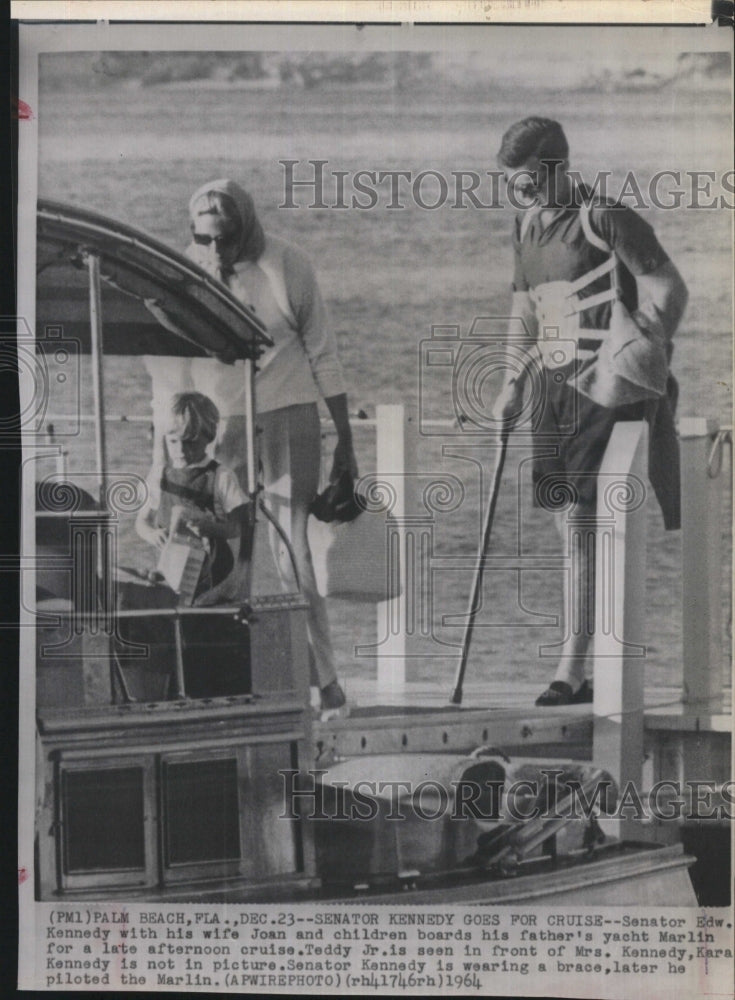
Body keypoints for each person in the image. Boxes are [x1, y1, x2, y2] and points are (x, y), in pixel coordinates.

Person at [493, 117, 688, 706]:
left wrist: (641, 352)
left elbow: (670, 290)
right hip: (552, 392)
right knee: (567, 524)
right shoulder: (526, 226)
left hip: (607, 388)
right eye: (514, 185)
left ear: (556, 166)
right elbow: (523, 314)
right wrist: (508, 382)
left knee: (585, 520)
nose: (520, 193)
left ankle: (571, 668)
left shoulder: (603, 217)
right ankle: (591, 664)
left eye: (528, 182)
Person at [184, 178, 357, 715]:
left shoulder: (288, 264)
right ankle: (228, 678)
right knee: (218, 548)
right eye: (205, 238)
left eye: (227, 238)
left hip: (289, 415)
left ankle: (325, 681)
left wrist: (346, 442)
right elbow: (170, 366)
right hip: (223, 423)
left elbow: (322, 353)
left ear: (247, 227)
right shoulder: (188, 269)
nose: (217, 250)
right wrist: (165, 445)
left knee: (292, 549)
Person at [135, 391, 248, 598]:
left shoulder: (221, 475)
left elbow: (237, 528)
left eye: (191, 443)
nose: (181, 450)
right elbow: (141, 523)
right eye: (174, 442)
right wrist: (152, 534)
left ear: (208, 437)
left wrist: (210, 528)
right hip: (169, 565)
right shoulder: (160, 475)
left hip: (211, 569)